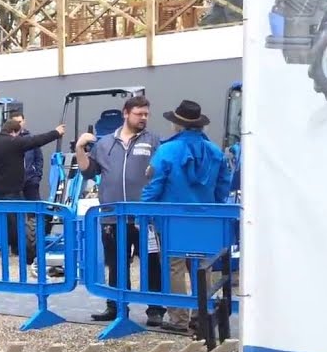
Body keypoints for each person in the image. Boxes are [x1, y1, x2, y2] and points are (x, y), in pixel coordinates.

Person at [142, 99, 233, 334]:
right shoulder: (215, 151)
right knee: (203, 266)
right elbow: (224, 185)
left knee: (174, 267)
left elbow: (154, 186)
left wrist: (144, 211)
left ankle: (178, 318)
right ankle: (202, 315)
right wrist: (213, 206)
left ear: (178, 125)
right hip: (206, 217)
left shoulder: (167, 150)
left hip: (172, 218)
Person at [74, 94, 166, 325]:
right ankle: (116, 307)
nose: (143, 118)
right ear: (126, 113)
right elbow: (88, 172)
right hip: (113, 217)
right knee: (116, 264)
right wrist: (79, 148)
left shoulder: (154, 142)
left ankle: (155, 309)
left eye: (146, 114)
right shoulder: (105, 143)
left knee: (152, 263)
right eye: (139, 114)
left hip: (145, 218)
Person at [0, 118, 64, 275]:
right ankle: (24, 255)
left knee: (3, 221)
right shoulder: (14, 142)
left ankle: (5, 251)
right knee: (19, 222)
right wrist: (56, 132)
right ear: (14, 132)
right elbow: (37, 140)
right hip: (12, 191)